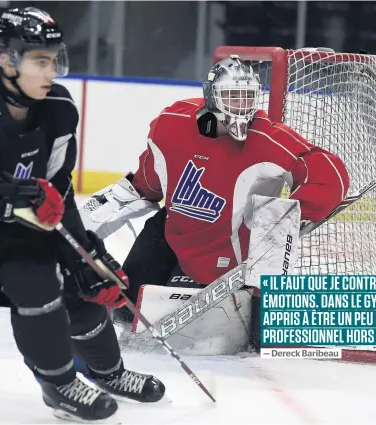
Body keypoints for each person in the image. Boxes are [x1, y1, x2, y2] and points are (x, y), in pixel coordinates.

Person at [0, 7, 164, 423]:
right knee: (35, 277)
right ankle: (59, 385)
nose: (52, 72)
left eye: (55, 59)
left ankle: (109, 372)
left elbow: (59, 191)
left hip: (12, 225)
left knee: (85, 275)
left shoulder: (59, 109)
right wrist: (1, 201)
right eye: (40, 61)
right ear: (6, 60)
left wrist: (86, 254)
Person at [80, 55, 350, 351]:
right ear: (212, 97)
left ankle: (262, 317)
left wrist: (294, 216)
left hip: (232, 261)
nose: (241, 106)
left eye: (247, 97)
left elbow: (329, 172)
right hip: (177, 241)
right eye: (232, 97)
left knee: (260, 326)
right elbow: (151, 174)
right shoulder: (172, 123)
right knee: (125, 305)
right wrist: (128, 191)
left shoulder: (267, 138)